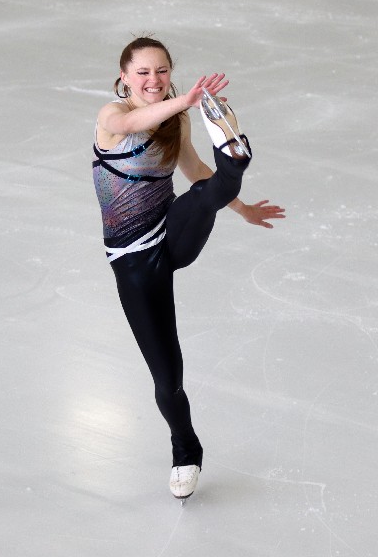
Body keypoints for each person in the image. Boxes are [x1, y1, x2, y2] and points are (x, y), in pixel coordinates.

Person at [92, 36, 285, 501]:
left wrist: (242, 210)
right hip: (134, 261)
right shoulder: (111, 118)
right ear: (124, 77)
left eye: (161, 71)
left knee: (206, 190)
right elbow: (139, 119)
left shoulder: (177, 117)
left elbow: (196, 170)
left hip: (172, 234)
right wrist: (187, 99)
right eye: (142, 72)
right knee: (168, 380)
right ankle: (186, 447)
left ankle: (236, 158)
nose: (153, 80)